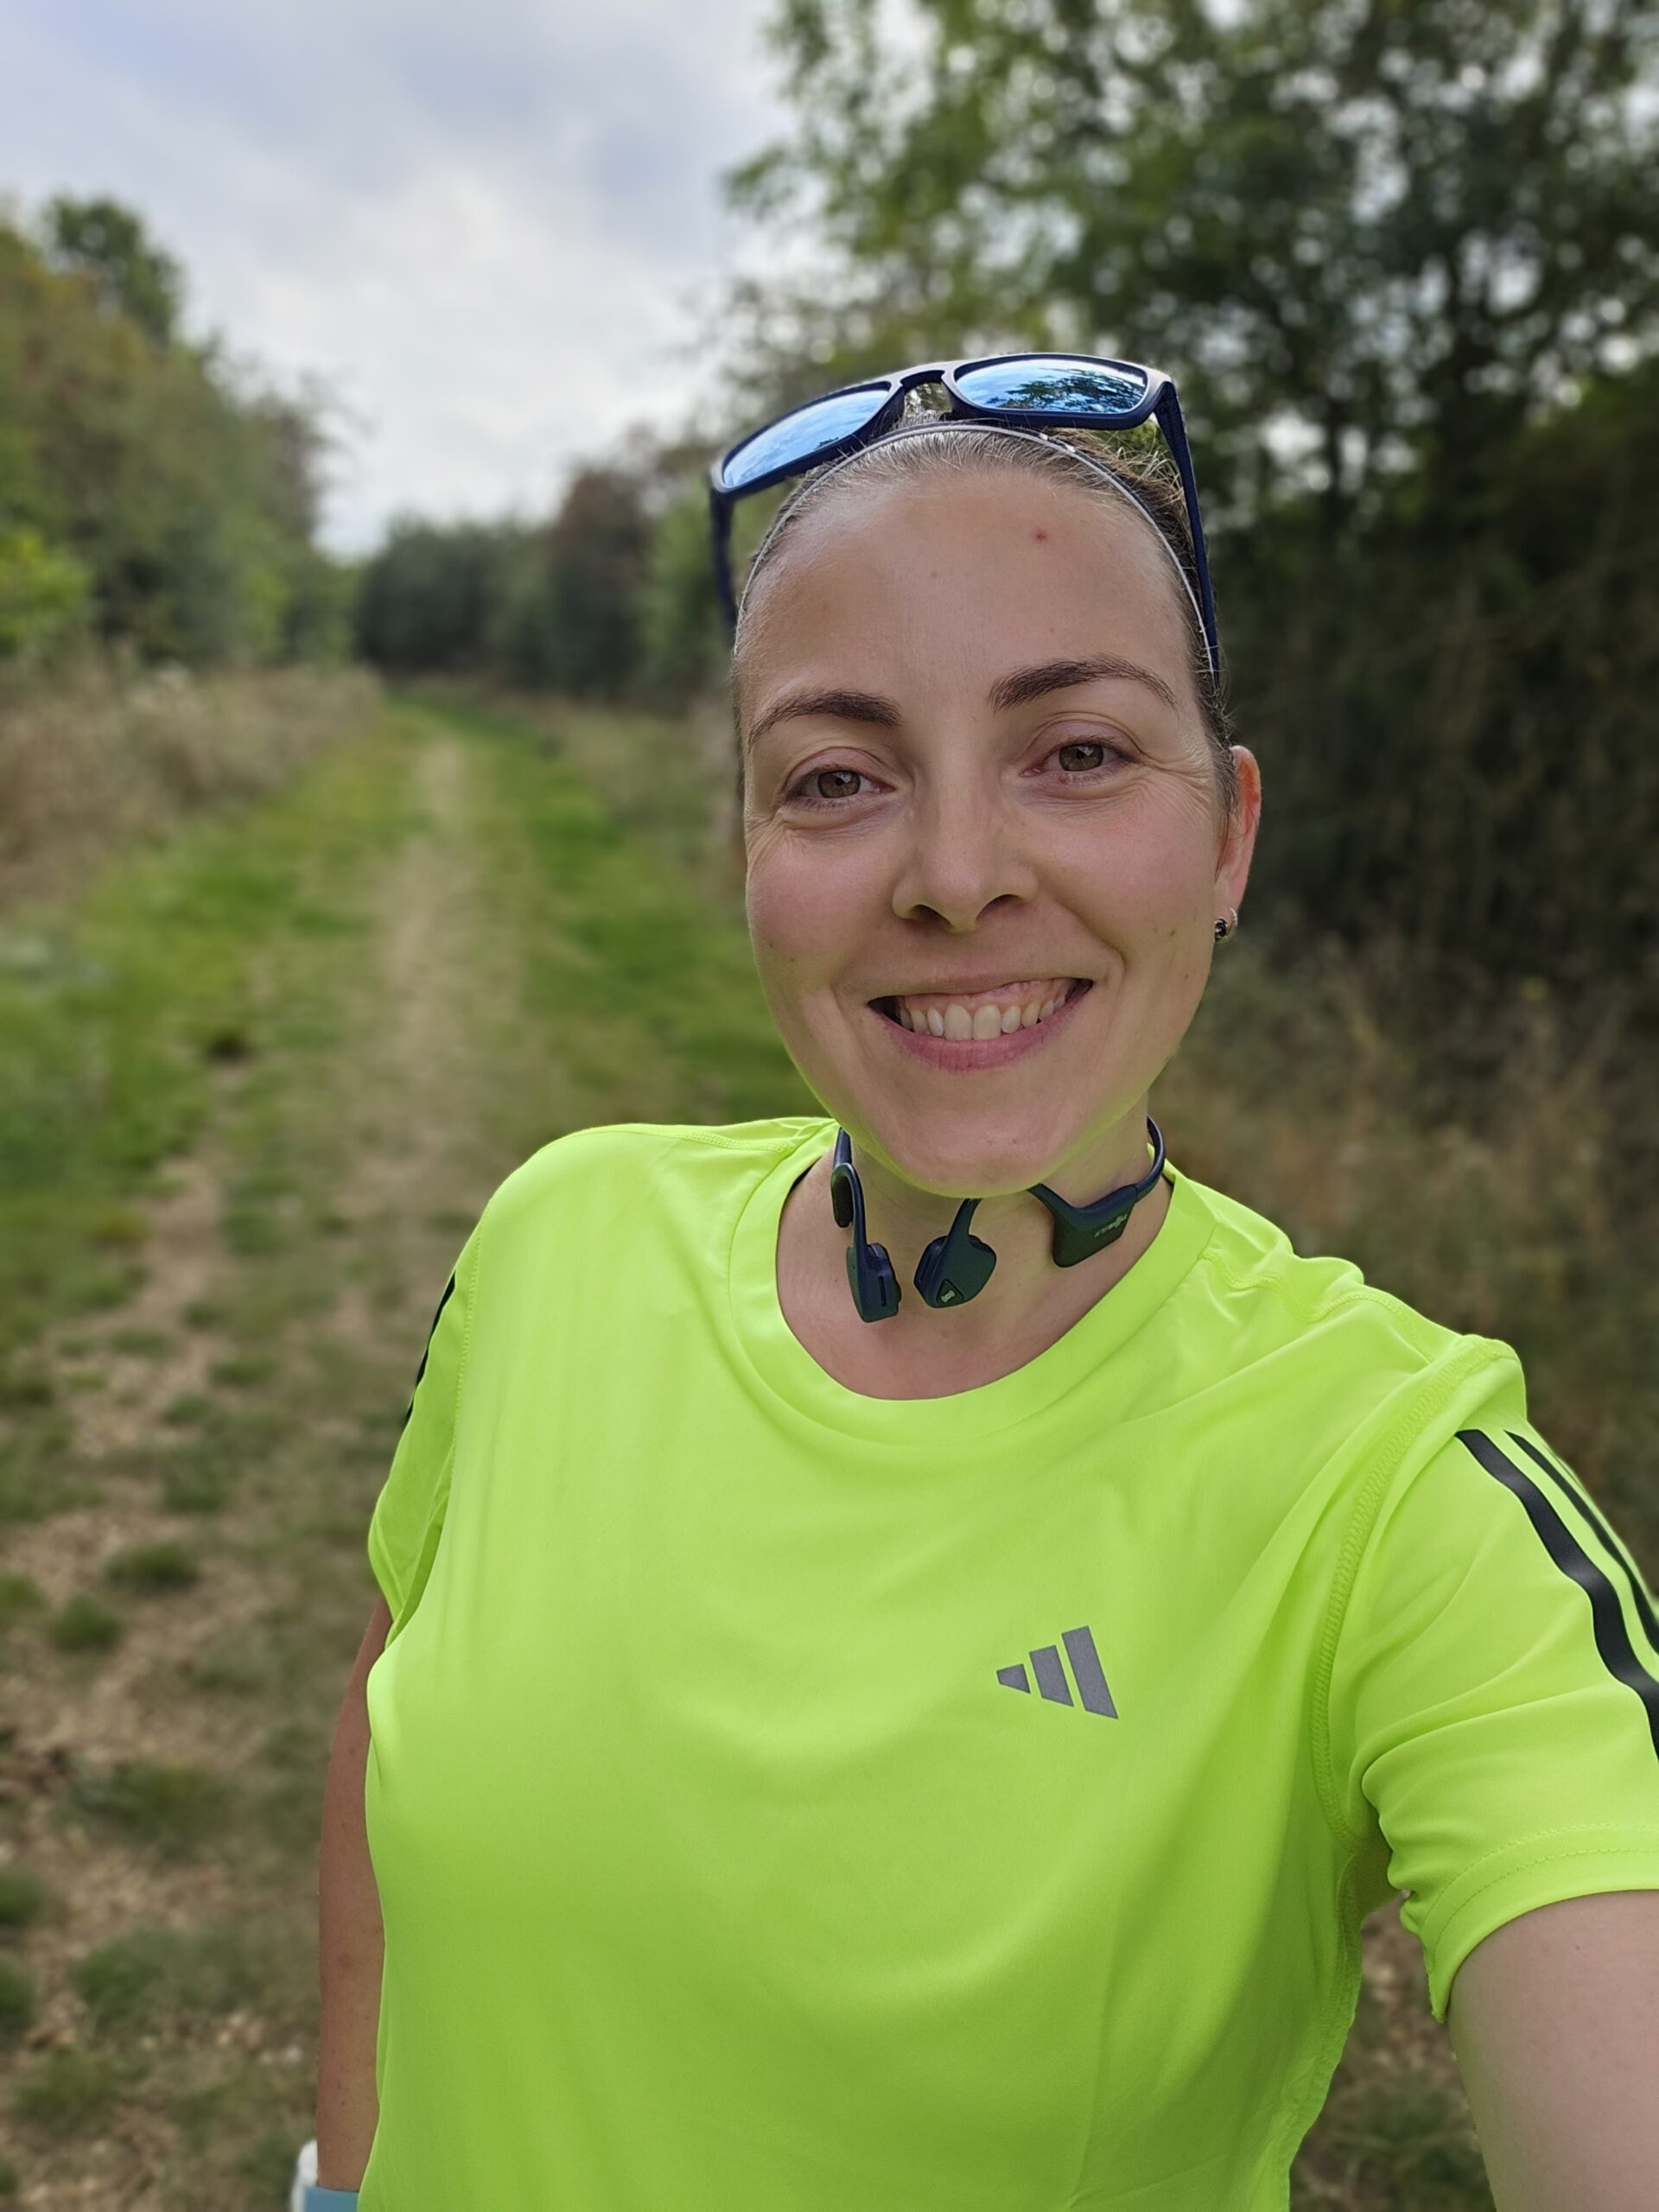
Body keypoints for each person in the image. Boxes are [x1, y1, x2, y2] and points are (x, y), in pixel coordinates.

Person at [312, 355, 1659, 2212]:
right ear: (753, 854)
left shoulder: (1399, 1491)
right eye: (838, 776)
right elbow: (392, 1738)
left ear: (1230, 834)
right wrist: (341, 2177)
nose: (953, 874)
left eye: (1079, 751)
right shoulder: (556, 1238)